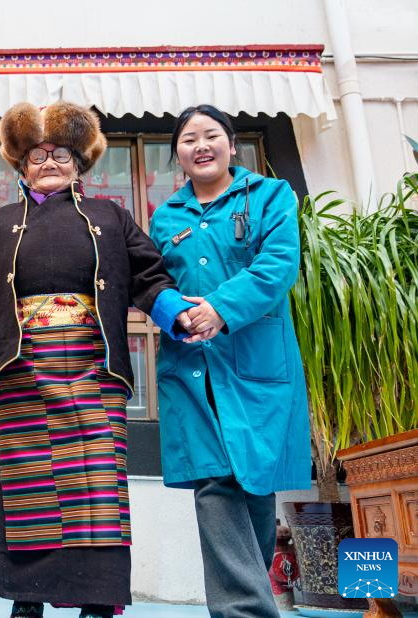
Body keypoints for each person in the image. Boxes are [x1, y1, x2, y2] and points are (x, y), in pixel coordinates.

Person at [0, 101, 194, 618]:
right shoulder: (0, 224)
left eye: (60, 154)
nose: (49, 163)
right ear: (22, 167)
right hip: (20, 371)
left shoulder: (111, 217)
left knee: (97, 487)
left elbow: (149, 275)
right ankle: (26, 599)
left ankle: (97, 601)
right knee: (25, 487)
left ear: (79, 164)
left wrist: (178, 313)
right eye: (37, 156)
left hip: (93, 368)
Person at [149, 104, 311, 618]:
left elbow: (278, 264)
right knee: (216, 482)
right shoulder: (165, 217)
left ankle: (248, 604)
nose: (201, 145)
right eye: (188, 139)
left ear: (232, 144)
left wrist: (221, 308)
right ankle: (245, 612)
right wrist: (175, 313)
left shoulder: (270, 196)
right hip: (191, 367)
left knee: (254, 483)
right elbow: (154, 282)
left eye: (211, 135)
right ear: (178, 154)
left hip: (256, 363)